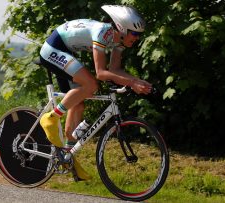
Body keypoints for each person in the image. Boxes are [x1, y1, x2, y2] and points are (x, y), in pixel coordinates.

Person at [39, 5, 152, 180]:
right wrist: (131, 82)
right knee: (91, 84)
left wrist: (136, 81)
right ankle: (51, 118)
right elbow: (101, 73)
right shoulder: (103, 33)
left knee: (78, 104)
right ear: (122, 28)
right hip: (54, 48)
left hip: (66, 52)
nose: (137, 38)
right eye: (135, 34)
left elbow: (114, 70)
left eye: (139, 35)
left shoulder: (119, 41)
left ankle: (68, 159)